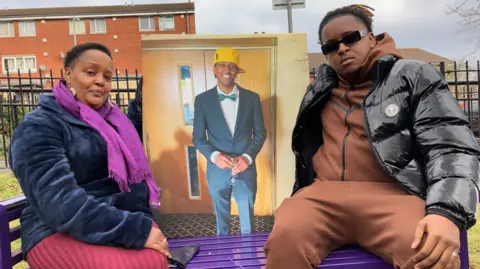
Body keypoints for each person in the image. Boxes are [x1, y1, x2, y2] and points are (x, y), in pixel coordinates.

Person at [264, 5, 479, 269]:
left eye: (350, 38)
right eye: (330, 46)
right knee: (285, 240)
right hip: (324, 196)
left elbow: (450, 146)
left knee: (429, 254)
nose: (341, 49)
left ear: (371, 37)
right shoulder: (319, 89)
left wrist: (446, 212)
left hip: (395, 196)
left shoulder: (413, 75)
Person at [9, 43, 170, 269]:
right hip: (56, 230)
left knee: (153, 259)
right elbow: (59, 203)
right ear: (67, 74)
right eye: (91, 72)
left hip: (113, 221)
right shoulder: (40, 126)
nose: (100, 81)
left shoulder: (110, 120)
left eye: (107, 76)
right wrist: (135, 230)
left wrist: (142, 105)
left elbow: (131, 144)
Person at [192, 47, 267, 236]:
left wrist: (248, 157)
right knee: (222, 225)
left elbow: (260, 133)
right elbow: (198, 138)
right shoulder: (202, 100)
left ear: (237, 71)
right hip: (217, 171)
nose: (227, 69)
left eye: (232, 66)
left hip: (246, 168)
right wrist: (215, 156)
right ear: (215, 69)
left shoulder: (252, 98)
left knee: (248, 225)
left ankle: (250, 261)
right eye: (222, 65)